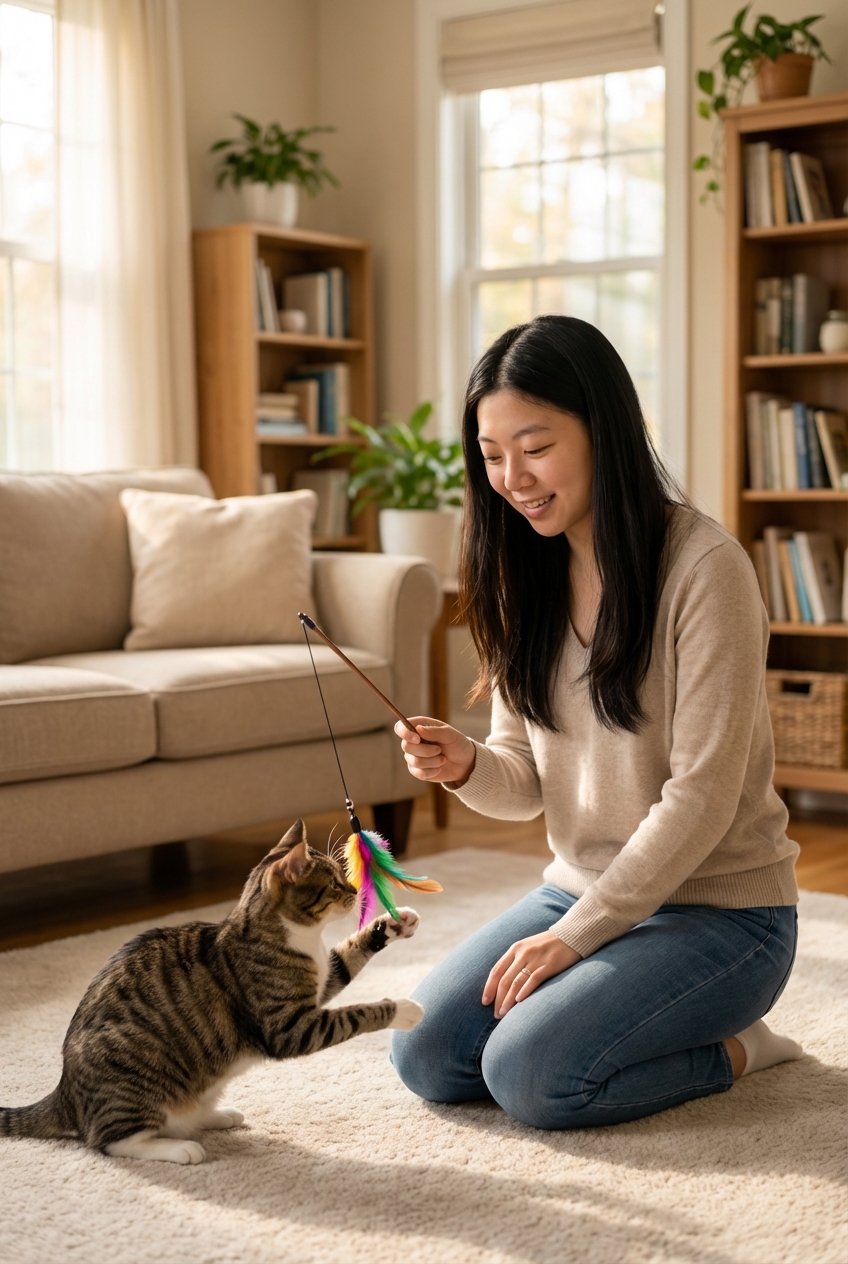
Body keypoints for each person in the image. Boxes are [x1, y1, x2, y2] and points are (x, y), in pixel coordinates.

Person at [390, 315, 802, 1130]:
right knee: (426, 1051)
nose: (512, 476)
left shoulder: (704, 569)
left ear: (605, 429)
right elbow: (524, 781)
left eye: (535, 446)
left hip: (724, 916)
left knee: (533, 1076)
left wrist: (577, 940)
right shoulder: (522, 571)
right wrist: (467, 764)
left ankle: (745, 1046)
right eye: (492, 452)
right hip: (582, 894)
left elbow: (701, 798)